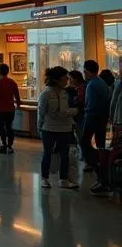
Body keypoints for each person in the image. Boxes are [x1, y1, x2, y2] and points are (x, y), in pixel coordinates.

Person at [39, 66, 79, 190]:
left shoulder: (64, 93)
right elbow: (41, 111)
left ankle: (63, 179)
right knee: (48, 153)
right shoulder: (45, 93)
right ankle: (45, 178)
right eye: (64, 78)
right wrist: (40, 127)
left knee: (65, 154)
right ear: (57, 79)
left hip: (65, 128)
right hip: (49, 128)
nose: (67, 80)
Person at [82, 60, 111, 194]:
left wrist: (85, 112)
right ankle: (103, 175)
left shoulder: (92, 85)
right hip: (102, 119)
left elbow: (91, 105)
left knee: (85, 144)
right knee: (100, 145)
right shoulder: (102, 83)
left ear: (87, 71)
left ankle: (99, 171)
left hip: (93, 118)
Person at [0, 63, 21, 154]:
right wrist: (18, 104)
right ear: (8, 71)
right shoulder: (12, 82)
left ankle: (4, 144)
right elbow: (17, 95)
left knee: (1, 127)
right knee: (9, 127)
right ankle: (10, 145)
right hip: (10, 109)